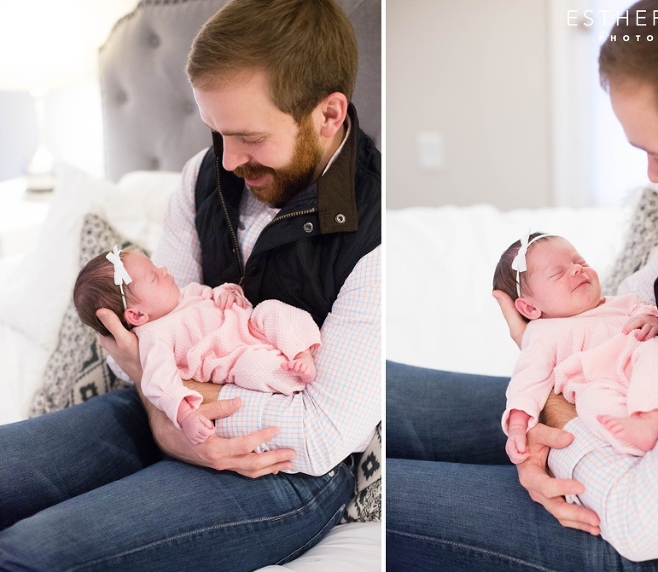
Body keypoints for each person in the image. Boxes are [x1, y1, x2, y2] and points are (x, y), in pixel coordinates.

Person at [387, 0, 658, 570]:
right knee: (386, 393)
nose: (653, 177)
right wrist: (537, 409)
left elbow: (644, 525)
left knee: (373, 489)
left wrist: (554, 422)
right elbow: (640, 294)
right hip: (616, 426)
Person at [0, 0, 380, 570]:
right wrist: (168, 422)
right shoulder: (202, 176)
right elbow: (152, 328)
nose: (226, 161)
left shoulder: (378, 231)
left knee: (34, 552)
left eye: (248, 136)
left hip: (285, 469)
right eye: (215, 130)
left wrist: (172, 403)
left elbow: (322, 433)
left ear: (328, 115)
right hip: (165, 412)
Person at [73, 247, 321, 444]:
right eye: (154, 277)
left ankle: (301, 352)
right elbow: (160, 384)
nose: (164, 270)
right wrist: (186, 416)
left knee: (271, 309)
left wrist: (228, 293)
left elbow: (221, 293)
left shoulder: (185, 293)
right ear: (137, 316)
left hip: (252, 326)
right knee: (252, 367)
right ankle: (292, 375)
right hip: (237, 358)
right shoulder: (153, 337)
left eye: (156, 267)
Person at [495, 232, 658, 460]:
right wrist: (518, 426)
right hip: (597, 385)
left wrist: (650, 319)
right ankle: (638, 442)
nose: (577, 269)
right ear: (529, 308)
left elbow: (655, 312)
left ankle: (654, 415)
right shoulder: (541, 335)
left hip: (640, 363)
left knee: (656, 351)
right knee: (590, 404)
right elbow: (527, 382)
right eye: (558, 273)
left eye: (580, 262)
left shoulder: (622, 303)